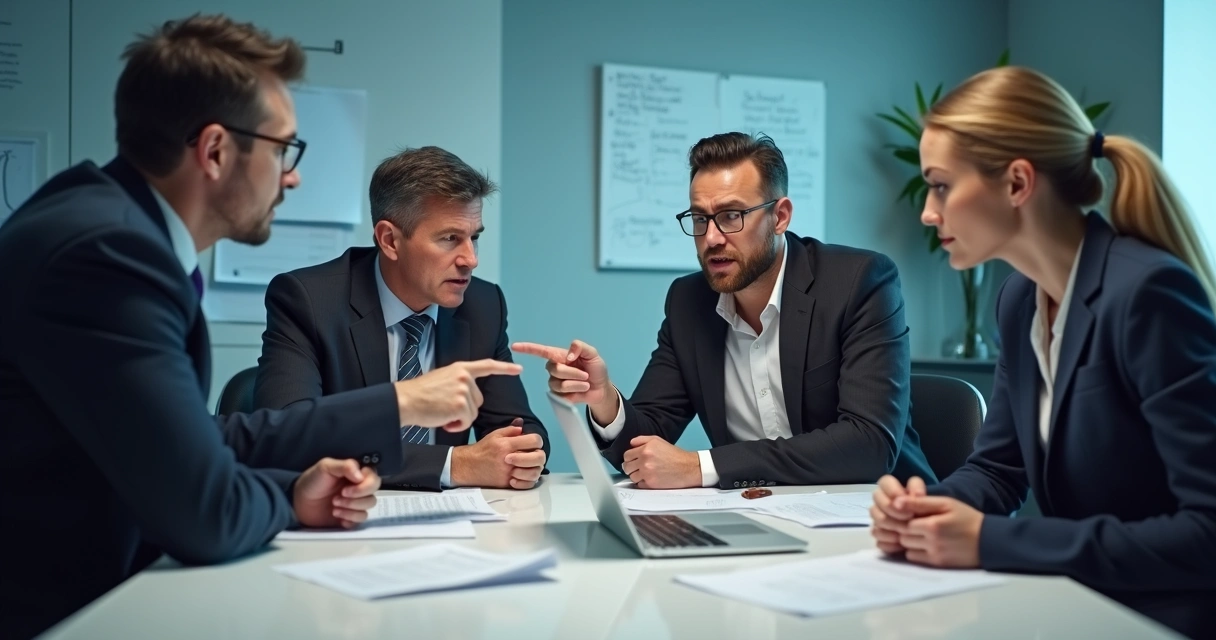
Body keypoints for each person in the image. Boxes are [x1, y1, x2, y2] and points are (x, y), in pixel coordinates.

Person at [0, 15, 516, 638]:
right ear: (216, 150)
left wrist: (295, 487)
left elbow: (200, 438)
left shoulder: (106, 226)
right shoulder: (109, 257)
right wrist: (304, 488)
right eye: (282, 150)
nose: (292, 175)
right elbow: (205, 512)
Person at [869, 66, 1216, 638]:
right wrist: (925, 510)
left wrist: (987, 539)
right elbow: (998, 470)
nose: (929, 212)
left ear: (1016, 183)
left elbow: (1207, 530)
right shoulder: (1020, 300)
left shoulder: (1148, 293)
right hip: (1080, 605)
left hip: (1165, 618)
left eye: (940, 184)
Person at [516, 133, 935, 490]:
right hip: (758, 517)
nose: (712, 238)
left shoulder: (858, 282)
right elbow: (647, 451)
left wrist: (702, 467)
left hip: (880, 518)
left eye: (731, 216)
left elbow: (869, 444)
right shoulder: (689, 302)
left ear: (780, 216)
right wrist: (604, 398)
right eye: (699, 219)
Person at [255, 147, 549, 491]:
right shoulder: (309, 300)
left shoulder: (483, 305)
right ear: (390, 240)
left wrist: (524, 452)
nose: (470, 259)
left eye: (475, 238)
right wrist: (454, 465)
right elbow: (288, 437)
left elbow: (517, 426)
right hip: (343, 520)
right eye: (450, 238)